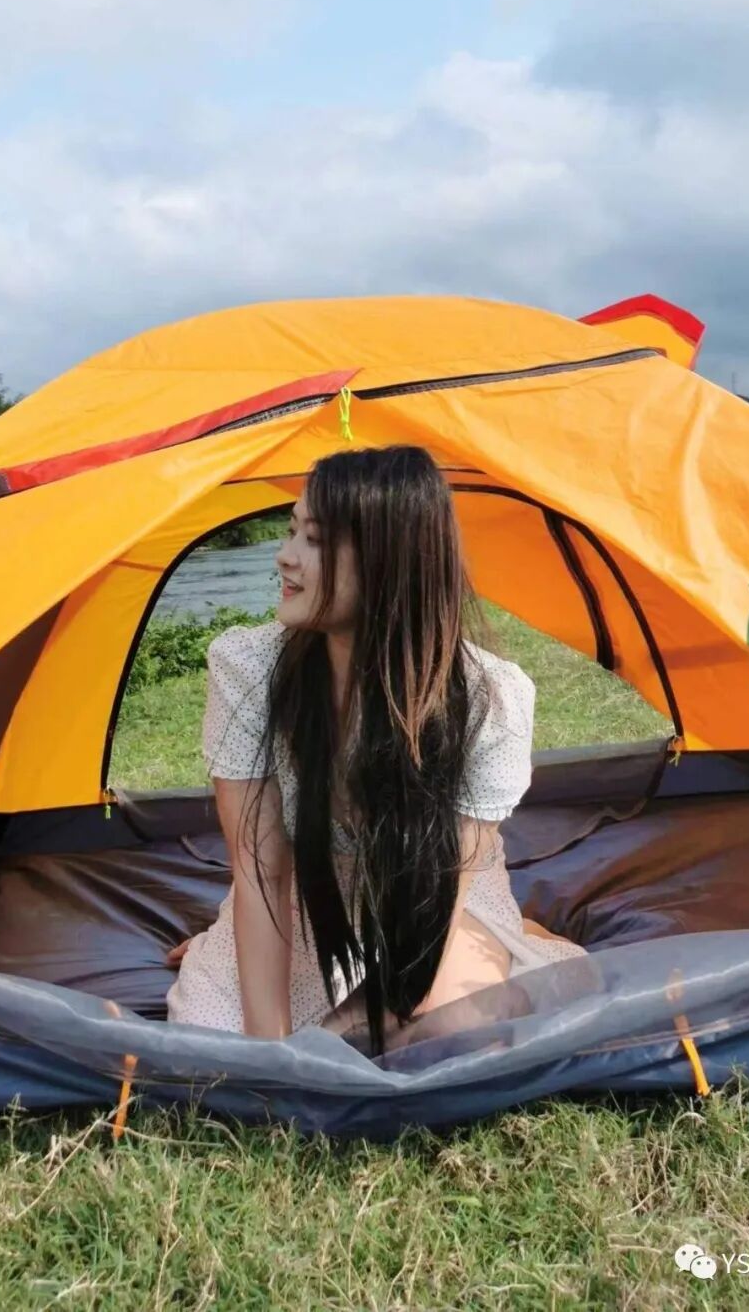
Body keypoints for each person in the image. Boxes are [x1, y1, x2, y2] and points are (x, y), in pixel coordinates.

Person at [165, 445, 586, 1052]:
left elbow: (442, 896)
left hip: (431, 905)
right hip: (303, 901)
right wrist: (274, 1057)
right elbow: (261, 873)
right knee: (217, 1047)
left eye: (314, 539)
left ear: (388, 560)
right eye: (290, 531)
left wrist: (351, 1024)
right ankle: (218, 948)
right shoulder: (249, 668)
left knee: (445, 1034)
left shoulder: (489, 698)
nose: (285, 556)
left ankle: (512, 935)